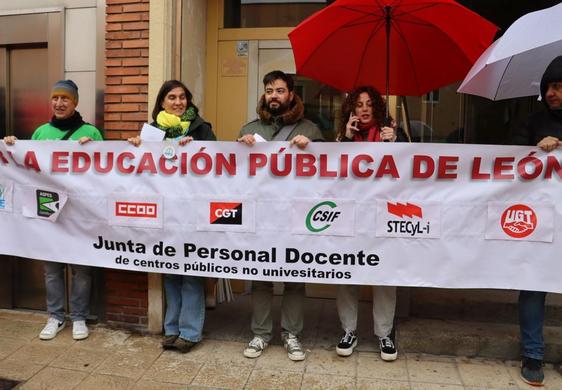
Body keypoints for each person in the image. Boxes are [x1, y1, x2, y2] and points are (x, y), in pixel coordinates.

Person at [4, 80, 103, 341]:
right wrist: (11, 145)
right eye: (55, 98)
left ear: (75, 103)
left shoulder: (90, 133)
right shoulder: (39, 133)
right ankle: (56, 316)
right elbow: (24, 168)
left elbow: (105, 172)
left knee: (82, 269)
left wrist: (93, 149)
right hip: (47, 209)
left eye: (65, 99)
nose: (59, 103)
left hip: (81, 213)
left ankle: (79, 317)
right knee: (52, 269)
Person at [237, 70, 324, 361]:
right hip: (260, 215)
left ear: (291, 94)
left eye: (280, 90)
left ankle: (291, 334)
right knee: (260, 274)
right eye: (270, 90)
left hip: (295, 215)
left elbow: (328, 172)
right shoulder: (248, 128)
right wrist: (240, 146)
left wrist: (310, 148)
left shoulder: (310, 130)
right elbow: (235, 174)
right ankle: (260, 334)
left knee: (294, 275)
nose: (274, 96)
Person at [129, 80, 216, 353]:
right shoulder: (152, 132)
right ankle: (171, 329)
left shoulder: (202, 129)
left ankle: (190, 332)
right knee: (169, 272)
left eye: (182, 97)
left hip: (193, 211)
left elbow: (216, 165)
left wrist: (196, 149)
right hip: (165, 212)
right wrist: (136, 146)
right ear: (162, 102)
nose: (178, 102)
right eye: (171, 97)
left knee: (190, 272)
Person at [334, 86, 406, 362]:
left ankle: (384, 333)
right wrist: (345, 142)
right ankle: (348, 330)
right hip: (350, 217)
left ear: (377, 108)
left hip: (383, 217)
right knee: (346, 273)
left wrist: (396, 144)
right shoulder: (343, 137)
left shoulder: (393, 134)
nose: (364, 109)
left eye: (369, 104)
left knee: (384, 275)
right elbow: (332, 176)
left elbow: (410, 172)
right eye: (359, 104)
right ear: (351, 109)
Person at [512, 56, 562, 387]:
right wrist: (534, 149)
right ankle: (533, 354)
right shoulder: (532, 120)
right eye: (548, 87)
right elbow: (508, 159)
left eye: (558, 86)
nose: (552, 93)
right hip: (540, 220)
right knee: (533, 286)